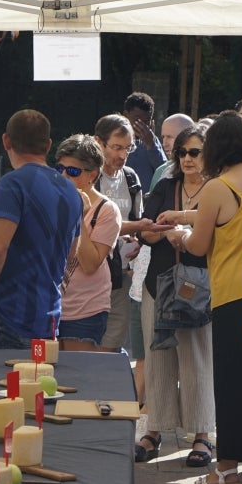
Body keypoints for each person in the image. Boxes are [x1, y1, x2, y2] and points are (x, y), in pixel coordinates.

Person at [160, 111, 242, 484]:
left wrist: (179, 235)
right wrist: (187, 216)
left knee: (230, 385)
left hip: (232, 295)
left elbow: (199, 244)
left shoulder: (218, 186)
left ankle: (226, 473)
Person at [0, 109, 83, 350]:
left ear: (6, 141)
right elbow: (73, 253)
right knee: (41, 385)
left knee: (9, 386)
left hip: (12, 311)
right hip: (50, 313)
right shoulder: (71, 190)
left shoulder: (13, 183)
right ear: (49, 145)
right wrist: (58, 286)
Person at [138, 125, 215, 466]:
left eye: (194, 152)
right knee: (158, 358)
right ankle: (154, 429)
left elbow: (222, 229)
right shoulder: (166, 186)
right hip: (160, 284)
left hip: (201, 286)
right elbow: (145, 228)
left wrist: (185, 229)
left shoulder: (217, 190)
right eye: (181, 152)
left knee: (197, 358)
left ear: (208, 155)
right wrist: (159, 233)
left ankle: (202, 435)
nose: (186, 158)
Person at [54, 134, 120, 349]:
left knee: (76, 378)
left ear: (93, 174)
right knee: (46, 376)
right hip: (50, 305)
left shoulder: (107, 210)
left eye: (72, 171)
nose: (63, 176)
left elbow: (91, 264)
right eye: (59, 169)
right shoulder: (51, 202)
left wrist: (78, 216)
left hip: (86, 308)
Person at [94, 114, 150, 354]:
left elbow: (138, 221)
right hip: (91, 270)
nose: (122, 155)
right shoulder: (87, 177)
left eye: (128, 148)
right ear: (99, 143)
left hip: (121, 273)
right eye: (116, 147)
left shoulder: (130, 177)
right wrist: (135, 227)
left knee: (113, 340)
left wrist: (136, 242)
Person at [121, 91, 167, 189]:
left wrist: (151, 145)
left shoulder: (153, 142)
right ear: (125, 115)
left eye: (146, 121)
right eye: (137, 119)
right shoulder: (117, 141)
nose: (141, 125)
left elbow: (164, 172)